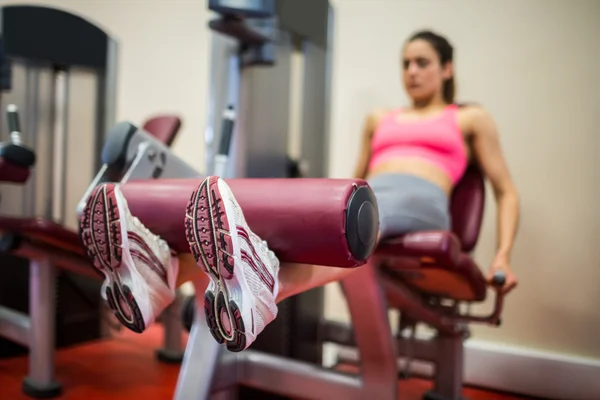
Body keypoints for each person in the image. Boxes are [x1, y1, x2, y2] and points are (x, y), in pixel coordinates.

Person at [79, 29, 520, 352]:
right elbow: (356, 182)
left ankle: (220, 283)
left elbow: (505, 191)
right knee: (320, 227)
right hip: (375, 197)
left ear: (446, 69)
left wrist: (501, 256)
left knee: (348, 227)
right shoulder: (379, 118)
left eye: (422, 62)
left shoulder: (469, 118)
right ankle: (165, 275)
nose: (411, 71)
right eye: (405, 63)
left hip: (422, 202)